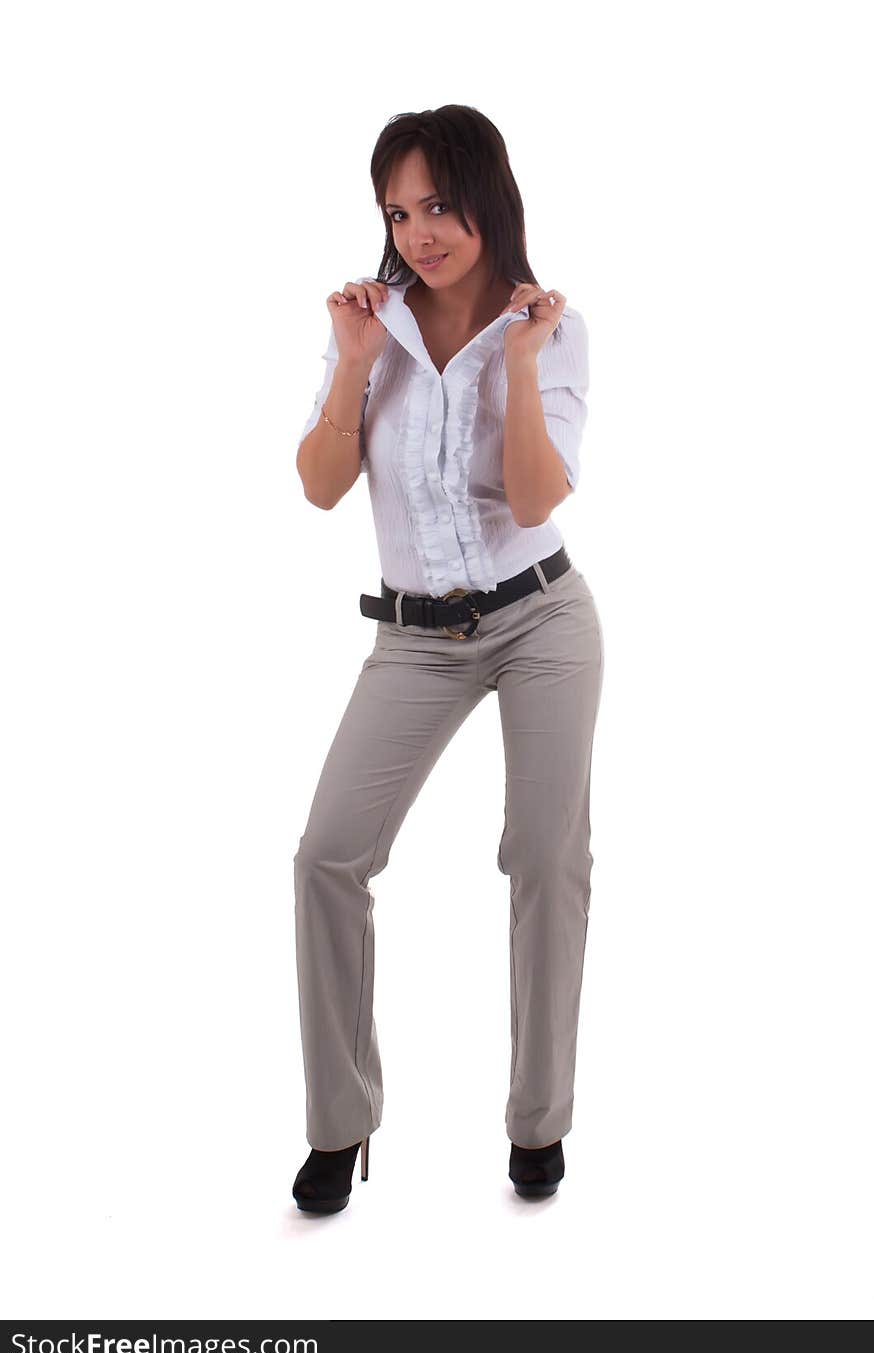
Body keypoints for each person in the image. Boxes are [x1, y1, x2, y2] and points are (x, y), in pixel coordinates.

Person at [291, 105, 604, 1214]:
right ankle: (340, 1124)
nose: (417, 231)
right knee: (326, 856)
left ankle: (538, 1121)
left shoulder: (551, 328)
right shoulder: (369, 324)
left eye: (436, 203)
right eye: (396, 210)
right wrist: (356, 366)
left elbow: (530, 497)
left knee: (541, 856)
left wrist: (515, 366)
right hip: (413, 639)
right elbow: (322, 486)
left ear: (487, 197)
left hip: (539, 622)